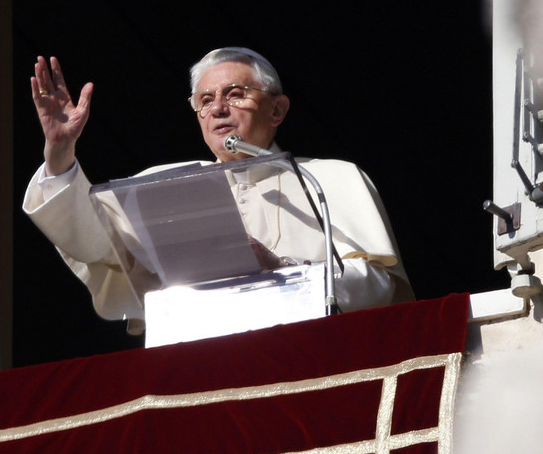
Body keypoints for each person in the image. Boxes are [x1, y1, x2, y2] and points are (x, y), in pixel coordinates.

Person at [22, 48, 413, 335]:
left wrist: (284, 271)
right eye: (205, 101)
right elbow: (95, 248)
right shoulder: (164, 183)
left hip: (309, 359)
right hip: (192, 364)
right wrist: (59, 155)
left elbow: (379, 287)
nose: (218, 109)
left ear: (277, 111)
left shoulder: (327, 178)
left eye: (235, 94)